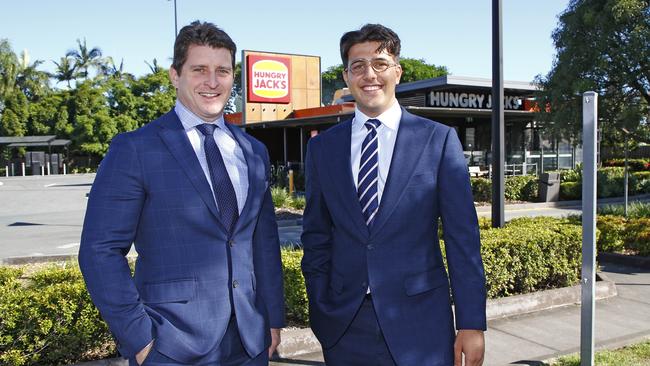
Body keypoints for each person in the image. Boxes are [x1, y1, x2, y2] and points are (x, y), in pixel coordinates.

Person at [79, 21, 284, 366]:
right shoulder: (135, 149)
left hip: (250, 342)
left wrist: (273, 318)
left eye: (222, 70)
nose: (212, 81)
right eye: (199, 69)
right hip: (170, 345)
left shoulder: (253, 151)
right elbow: (100, 251)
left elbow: (264, 243)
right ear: (175, 75)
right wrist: (140, 340)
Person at [301, 24, 487, 366]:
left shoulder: (438, 140)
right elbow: (316, 235)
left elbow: (463, 239)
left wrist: (471, 323)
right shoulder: (322, 149)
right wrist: (320, 303)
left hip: (422, 326)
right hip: (344, 327)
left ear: (397, 72)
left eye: (380, 63)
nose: (369, 74)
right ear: (346, 76)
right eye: (358, 66)